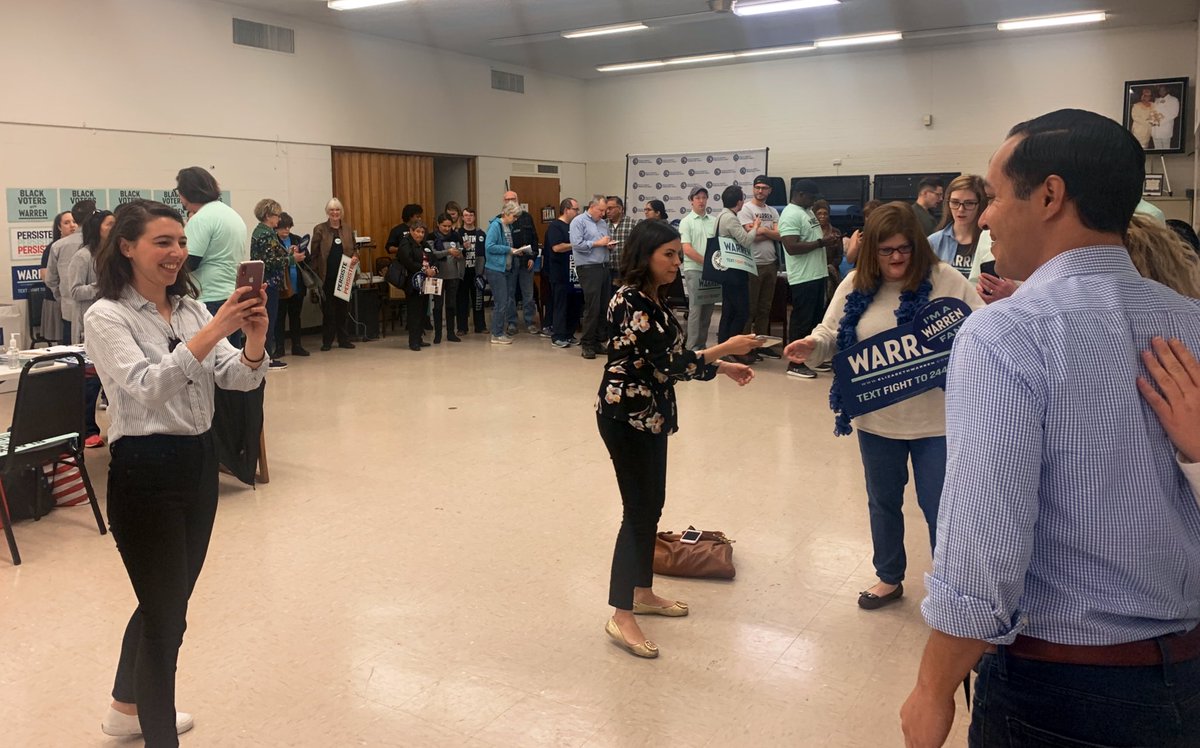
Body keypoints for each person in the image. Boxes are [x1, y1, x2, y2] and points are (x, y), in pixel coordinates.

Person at [899, 109, 1200, 748]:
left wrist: (932, 687)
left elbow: (986, 540)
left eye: (994, 196)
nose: (984, 217)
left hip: (1060, 686)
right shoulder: (1190, 325)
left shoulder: (1006, 334)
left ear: (1049, 196)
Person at [86, 200, 267, 747]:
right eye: (162, 242)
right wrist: (215, 329)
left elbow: (236, 377)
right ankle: (159, 735)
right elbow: (147, 386)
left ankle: (125, 710)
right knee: (167, 620)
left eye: (182, 242)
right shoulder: (107, 316)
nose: (176, 253)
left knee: (166, 602)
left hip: (198, 464)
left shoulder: (189, 309)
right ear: (126, 247)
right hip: (145, 474)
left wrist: (253, 340)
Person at [784, 202, 982, 612]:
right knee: (883, 501)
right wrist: (811, 346)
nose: (895, 258)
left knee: (941, 507)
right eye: (885, 250)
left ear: (918, 248)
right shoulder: (855, 284)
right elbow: (830, 333)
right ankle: (889, 577)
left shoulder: (946, 279)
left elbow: (981, 327)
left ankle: (950, 584)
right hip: (877, 420)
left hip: (937, 422)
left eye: (904, 249)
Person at [596, 219, 761, 659]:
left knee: (652, 506)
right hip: (626, 416)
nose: (675, 261)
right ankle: (621, 614)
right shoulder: (630, 300)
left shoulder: (654, 296)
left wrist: (721, 367)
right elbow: (670, 363)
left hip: (650, 415)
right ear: (644, 256)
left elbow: (670, 359)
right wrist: (725, 349)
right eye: (667, 254)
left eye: (676, 253)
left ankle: (642, 592)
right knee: (637, 513)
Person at [779, 180, 839, 379]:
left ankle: (811, 359)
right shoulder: (790, 214)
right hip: (803, 276)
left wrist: (827, 242)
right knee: (802, 321)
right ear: (800, 194)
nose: (814, 201)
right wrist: (821, 242)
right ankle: (795, 363)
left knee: (815, 321)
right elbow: (791, 247)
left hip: (817, 274)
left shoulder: (807, 211)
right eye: (812, 197)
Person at [67, 209, 115, 448]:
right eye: (109, 224)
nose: (114, 228)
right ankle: (87, 431)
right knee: (90, 383)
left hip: (114, 324)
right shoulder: (83, 256)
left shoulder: (115, 254)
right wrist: (102, 286)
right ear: (97, 228)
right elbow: (75, 291)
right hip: (88, 325)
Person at [176, 167, 247, 322]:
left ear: (186, 192)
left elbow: (189, 263)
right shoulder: (232, 215)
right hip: (230, 294)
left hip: (207, 298)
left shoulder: (201, 218)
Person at [713, 185, 762, 356]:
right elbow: (746, 241)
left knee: (728, 310)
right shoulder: (731, 218)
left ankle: (723, 347)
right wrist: (755, 227)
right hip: (734, 271)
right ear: (739, 202)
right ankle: (732, 348)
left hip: (726, 270)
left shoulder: (720, 216)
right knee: (742, 311)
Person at [740, 176, 782, 359]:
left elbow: (780, 235)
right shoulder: (746, 209)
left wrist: (762, 230)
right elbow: (750, 236)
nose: (760, 191)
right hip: (752, 264)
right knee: (750, 309)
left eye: (764, 188)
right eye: (757, 187)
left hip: (770, 264)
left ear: (769, 190)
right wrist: (769, 232)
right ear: (753, 188)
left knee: (765, 308)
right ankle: (746, 347)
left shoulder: (773, 211)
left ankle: (761, 345)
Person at [310, 198, 358, 351]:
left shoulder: (348, 229)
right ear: (327, 212)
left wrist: (355, 257)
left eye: (337, 210)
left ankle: (344, 339)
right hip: (326, 276)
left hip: (344, 275)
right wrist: (315, 275)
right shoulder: (320, 229)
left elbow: (355, 249)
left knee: (343, 309)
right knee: (328, 310)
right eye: (332, 210)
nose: (335, 212)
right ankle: (327, 341)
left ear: (341, 212)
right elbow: (314, 254)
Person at [570, 195, 615, 359]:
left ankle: (597, 341)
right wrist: (598, 243)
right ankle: (587, 344)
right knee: (592, 307)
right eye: (601, 210)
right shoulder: (578, 221)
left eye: (605, 210)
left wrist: (608, 245)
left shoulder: (603, 223)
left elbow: (603, 242)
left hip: (604, 266)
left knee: (603, 307)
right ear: (591, 207)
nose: (603, 214)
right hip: (588, 268)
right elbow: (577, 244)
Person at [47, 199, 97, 344]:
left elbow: (50, 280)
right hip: (97, 310)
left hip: (69, 310)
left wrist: (63, 298)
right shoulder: (98, 244)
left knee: (72, 354)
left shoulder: (58, 246)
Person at [250, 199, 289, 370]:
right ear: (267, 215)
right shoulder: (266, 234)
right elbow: (270, 262)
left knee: (267, 321)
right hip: (269, 284)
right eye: (277, 215)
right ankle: (266, 358)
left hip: (264, 283)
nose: (279, 219)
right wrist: (291, 260)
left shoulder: (260, 231)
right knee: (268, 322)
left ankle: (265, 356)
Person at [926, 174, 987, 278]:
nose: (960, 209)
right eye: (955, 202)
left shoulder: (989, 242)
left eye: (969, 203)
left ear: (980, 205)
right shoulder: (934, 242)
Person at [678, 186, 716, 351]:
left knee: (708, 308)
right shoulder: (686, 221)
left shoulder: (714, 221)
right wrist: (707, 263)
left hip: (712, 271)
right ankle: (692, 347)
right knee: (696, 309)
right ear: (691, 201)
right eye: (697, 198)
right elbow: (687, 249)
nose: (701, 201)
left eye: (704, 197)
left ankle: (702, 345)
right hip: (694, 269)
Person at [501, 190, 541, 336]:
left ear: (518, 200)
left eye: (513, 198)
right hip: (509, 262)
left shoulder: (527, 217)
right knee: (509, 294)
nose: (510, 201)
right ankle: (512, 323)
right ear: (503, 202)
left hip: (526, 261)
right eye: (507, 199)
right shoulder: (500, 220)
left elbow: (534, 239)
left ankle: (530, 322)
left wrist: (532, 257)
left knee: (528, 294)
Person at [543, 198, 580, 348]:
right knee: (560, 305)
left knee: (574, 304)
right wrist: (577, 244)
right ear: (566, 210)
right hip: (559, 273)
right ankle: (558, 335)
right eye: (575, 209)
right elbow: (557, 247)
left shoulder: (573, 226)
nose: (578, 212)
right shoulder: (555, 226)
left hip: (573, 272)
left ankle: (569, 333)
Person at [484, 201, 522, 345]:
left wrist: (515, 251)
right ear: (506, 213)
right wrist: (509, 250)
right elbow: (489, 246)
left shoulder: (508, 227)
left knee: (504, 301)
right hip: (495, 269)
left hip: (505, 268)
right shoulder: (495, 226)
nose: (515, 219)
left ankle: (499, 331)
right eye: (514, 216)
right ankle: (496, 333)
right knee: (501, 302)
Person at [273, 213, 309, 357]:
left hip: (297, 285)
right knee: (279, 318)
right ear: (276, 228)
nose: (286, 230)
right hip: (281, 287)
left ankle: (297, 346)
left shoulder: (296, 239)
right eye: (283, 227)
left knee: (296, 317)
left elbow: (308, 259)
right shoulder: (273, 241)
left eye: (288, 227)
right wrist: (289, 256)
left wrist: (300, 253)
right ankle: (279, 347)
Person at [395, 220, 434, 351]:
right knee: (414, 312)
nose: (420, 234)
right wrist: (424, 269)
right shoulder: (405, 243)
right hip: (412, 282)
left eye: (422, 232)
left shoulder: (424, 244)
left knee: (422, 311)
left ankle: (419, 338)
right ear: (411, 231)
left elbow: (433, 258)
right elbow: (408, 261)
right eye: (417, 231)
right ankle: (413, 341)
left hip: (425, 282)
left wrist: (433, 269)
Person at [40, 210, 77, 342]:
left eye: (74, 221)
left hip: (74, 300)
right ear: (59, 227)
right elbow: (45, 276)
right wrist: (61, 294)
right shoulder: (53, 247)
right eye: (67, 222)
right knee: (63, 341)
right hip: (57, 299)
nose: (72, 225)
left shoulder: (83, 246)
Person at [429, 213, 463, 344]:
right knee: (437, 306)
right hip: (436, 276)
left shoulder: (455, 236)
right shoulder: (431, 237)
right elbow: (432, 254)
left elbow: (460, 254)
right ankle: (437, 334)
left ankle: (450, 333)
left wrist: (459, 254)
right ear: (438, 224)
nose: (447, 228)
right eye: (444, 226)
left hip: (453, 275)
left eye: (449, 226)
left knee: (451, 305)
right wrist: (448, 252)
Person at [459, 207, 487, 334]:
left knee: (478, 299)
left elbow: (485, 253)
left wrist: (483, 271)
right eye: (466, 215)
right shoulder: (458, 233)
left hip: (477, 272)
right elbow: (455, 252)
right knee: (462, 300)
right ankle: (462, 328)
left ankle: (480, 326)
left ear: (474, 217)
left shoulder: (481, 234)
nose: (469, 217)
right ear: (462, 218)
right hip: (463, 272)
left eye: (471, 215)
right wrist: (462, 247)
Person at [607, 195, 639, 287]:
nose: (607, 211)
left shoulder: (633, 224)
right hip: (607, 270)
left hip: (626, 270)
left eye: (610, 208)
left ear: (620, 209)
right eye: (606, 209)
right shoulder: (602, 224)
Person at [1153, 84, 1182, 150]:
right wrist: (1152, 121)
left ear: (1167, 90)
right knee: (1157, 150)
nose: (1161, 92)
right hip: (1155, 130)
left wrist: (1159, 121)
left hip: (1165, 128)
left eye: (1163, 90)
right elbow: (1153, 112)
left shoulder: (1173, 100)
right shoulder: (1157, 100)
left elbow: (1174, 114)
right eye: (1160, 90)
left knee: (1166, 150)